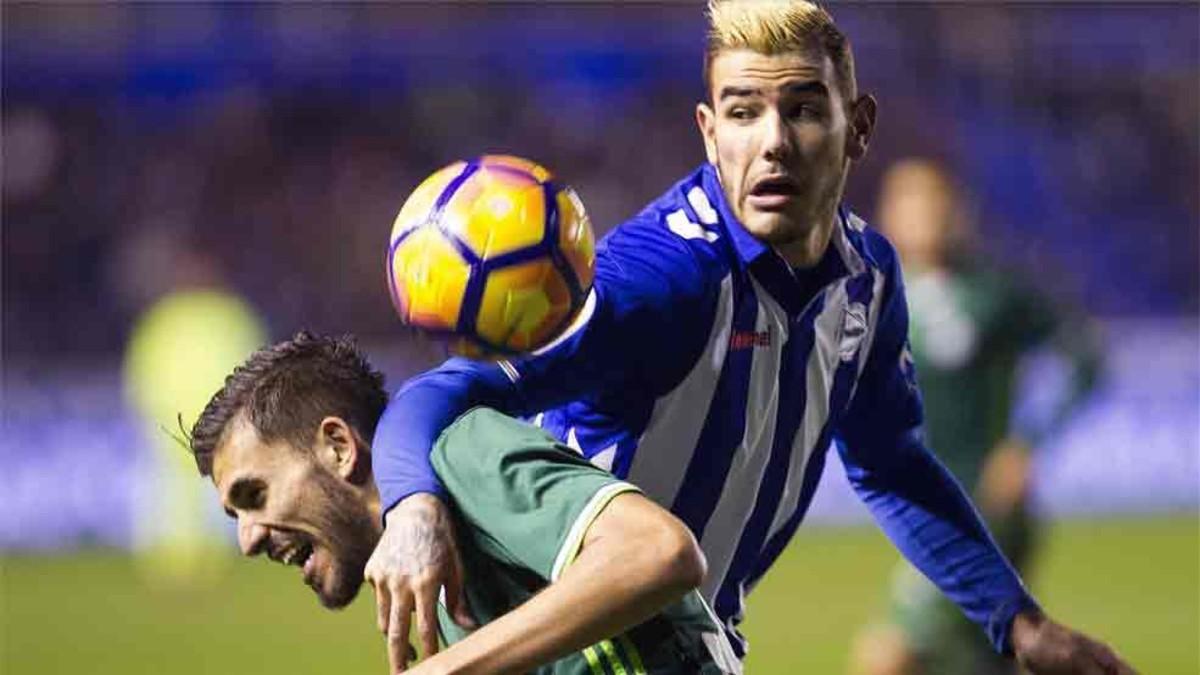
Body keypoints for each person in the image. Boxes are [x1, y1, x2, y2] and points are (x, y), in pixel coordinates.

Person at [368, 2, 1133, 673]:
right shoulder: (662, 278)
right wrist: (411, 509)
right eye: (741, 112)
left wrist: (1020, 622)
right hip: (584, 647)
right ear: (709, 131)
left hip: (692, 644)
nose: (772, 141)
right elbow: (439, 391)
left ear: (857, 126)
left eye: (802, 109)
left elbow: (891, 463)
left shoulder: (867, 278)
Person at [187, 332, 741, 675]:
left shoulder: (461, 454)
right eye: (235, 517)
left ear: (338, 447)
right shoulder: (419, 574)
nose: (248, 539)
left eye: (254, 496)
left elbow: (659, 552)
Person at [848, 160, 1102, 675]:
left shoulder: (994, 292)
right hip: (927, 510)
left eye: (932, 202)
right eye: (907, 202)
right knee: (982, 665)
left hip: (984, 509)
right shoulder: (877, 297)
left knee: (886, 657)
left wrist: (1027, 442)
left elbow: (1084, 358)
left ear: (957, 212)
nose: (922, 216)